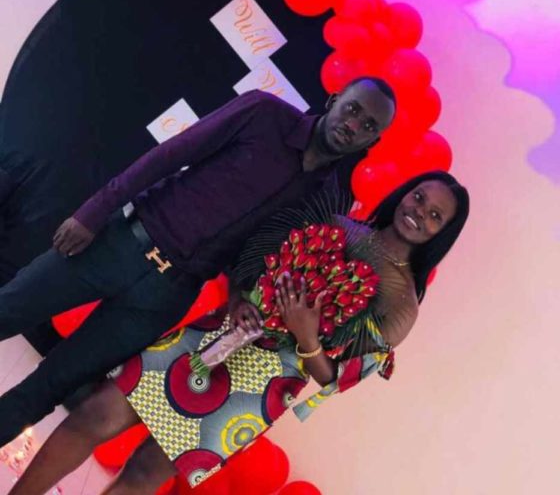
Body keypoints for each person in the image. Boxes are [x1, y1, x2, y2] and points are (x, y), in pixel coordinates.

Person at [8, 171, 470, 495]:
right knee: (94, 414)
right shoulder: (336, 225)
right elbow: (256, 265)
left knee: (147, 472)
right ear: (406, 193)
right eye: (419, 198)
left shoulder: (402, 304)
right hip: (218, 333)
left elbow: (334, 379)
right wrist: (244, 297)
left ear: (442, 234)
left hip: (261, 386)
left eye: (435, 216)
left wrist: (306, 336)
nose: (420, 213)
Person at [0, 77, 396, 447]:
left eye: (367, 125)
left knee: (52, 386)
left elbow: (256, 249)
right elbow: (171, 154)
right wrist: (94, 211)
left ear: (373, 140)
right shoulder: (264, 113)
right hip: (121, 243)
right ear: (334, 100)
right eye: (352, 109)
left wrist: (238, 295)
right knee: (8, 309)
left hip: (164, 298)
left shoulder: (322, 198)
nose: (353, 124)